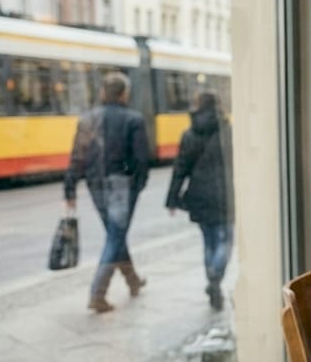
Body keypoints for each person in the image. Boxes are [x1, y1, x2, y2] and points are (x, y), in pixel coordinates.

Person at [64, 71, 151, 313]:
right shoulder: (134, 119)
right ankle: (97, 293)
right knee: (115, 236)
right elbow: (141, 159)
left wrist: (70, 189)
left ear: (103, 93)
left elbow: (77, 157)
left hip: (95, 183)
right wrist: (138, 185)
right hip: (122, 184)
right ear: (125, 94)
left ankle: (133, 280)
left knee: (115, 234)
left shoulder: (87, 119)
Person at [165, 92, 235, 310]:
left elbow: (180, 167)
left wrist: (172, 198)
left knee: (209, 243)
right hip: (224, 194)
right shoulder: (227, 130)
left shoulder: (189, 134)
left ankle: (212, 281)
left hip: (199, 196)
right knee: (225, 241)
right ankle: (215, 278)